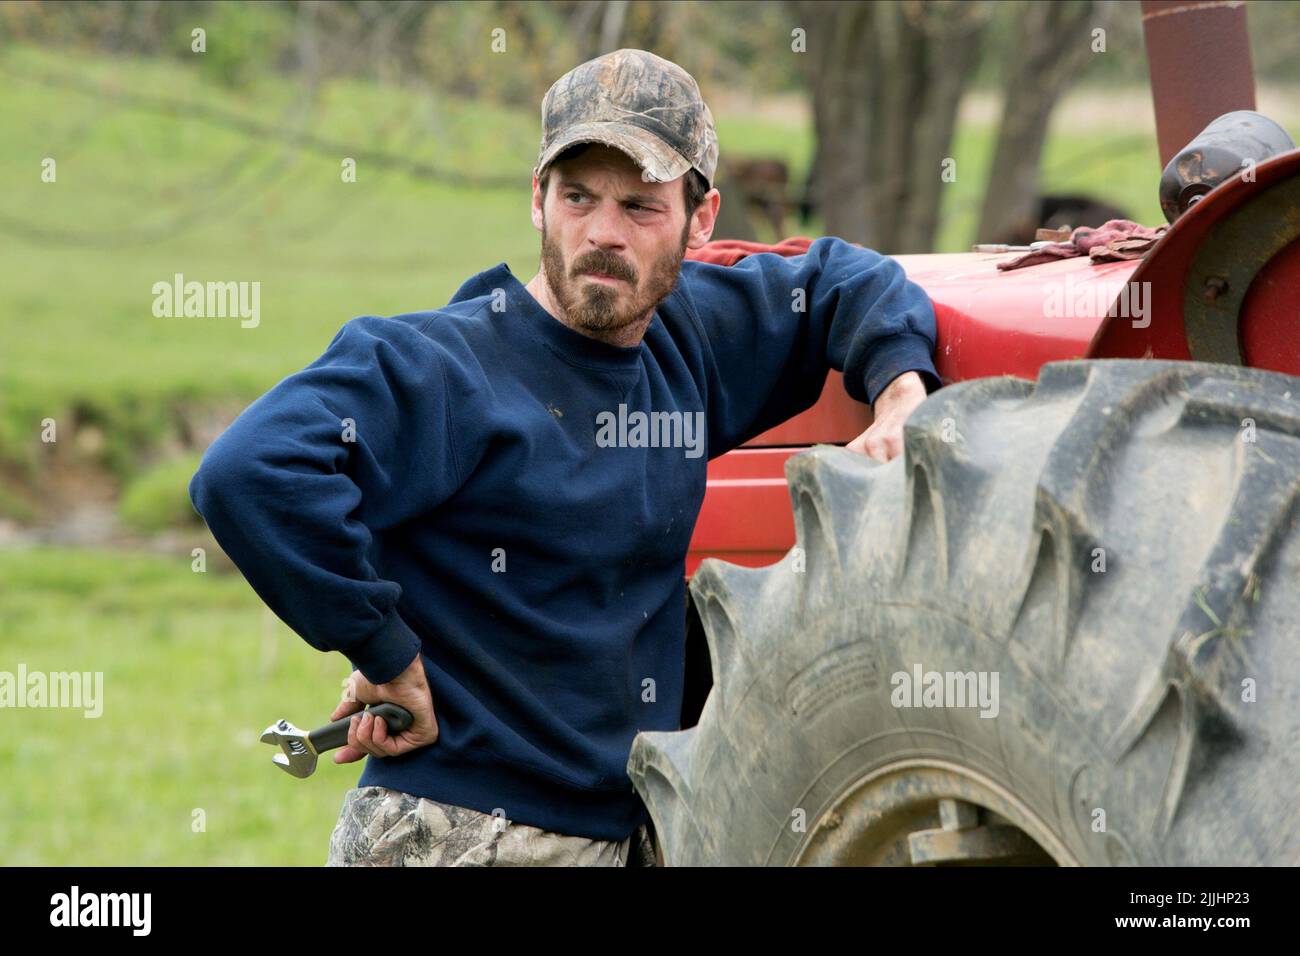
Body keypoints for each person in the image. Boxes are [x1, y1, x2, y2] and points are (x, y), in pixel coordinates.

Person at [189, 48, 941, 867]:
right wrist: (384, 649)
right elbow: (248, 472)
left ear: (702, 218)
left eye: (640, 206)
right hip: (468, 838)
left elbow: (842, 280)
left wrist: (902, 387)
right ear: (538, 200)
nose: (603, 234)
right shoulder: (443, 367)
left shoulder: (687, 341)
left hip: (628, 830)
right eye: (577, 196)